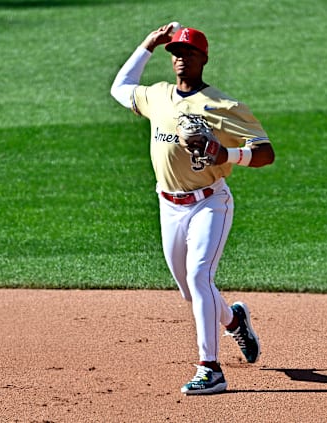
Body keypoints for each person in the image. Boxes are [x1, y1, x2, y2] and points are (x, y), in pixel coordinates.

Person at [110, 23, 275, 395]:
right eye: (176, 53)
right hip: (168, 206)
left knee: (200, 276)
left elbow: (266, 153)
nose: (181, 59)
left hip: (210, 203)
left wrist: (225, 154)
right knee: (190, 290)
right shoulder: (157, 96)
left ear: (203, 58)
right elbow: (119, 89)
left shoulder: (223, 106)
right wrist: (149, 43)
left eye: (188, 53)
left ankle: (210, 368)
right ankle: (234, 322)